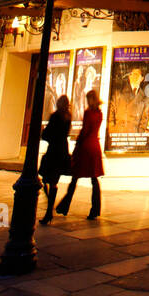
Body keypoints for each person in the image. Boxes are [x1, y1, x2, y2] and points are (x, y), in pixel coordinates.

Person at [56, 88, 104, 220]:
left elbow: (85, 130)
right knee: (94, 179)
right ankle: (95, 208)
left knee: (75, 177)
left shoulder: (88, 113)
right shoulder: (99, 113)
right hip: (95, 146)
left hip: (86, 148)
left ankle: (64, 206)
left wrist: (78, 142)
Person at [39, 94, 72, 224]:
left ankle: (49, 209)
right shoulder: (68, 117)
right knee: (53, 181)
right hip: (62, 150)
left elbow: (47, 134)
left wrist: (44, 133)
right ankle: (49, 209)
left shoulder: (55, 116)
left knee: (45, 178)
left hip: (53, 151)